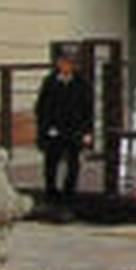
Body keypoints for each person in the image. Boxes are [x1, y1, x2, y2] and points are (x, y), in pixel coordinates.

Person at [31, 48, 93, 209]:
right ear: (59, 64)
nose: (67, 66)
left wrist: (87, 131)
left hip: (74, 129)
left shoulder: (82, 83)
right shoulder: (50, 81)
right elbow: (41, 107)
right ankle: (51, 194)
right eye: (64, 62)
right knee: (51, 162)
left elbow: (88, 109)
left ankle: (69, 196)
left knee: (73, 163)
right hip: (54, 129)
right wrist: (45, 128)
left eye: (70, 63)